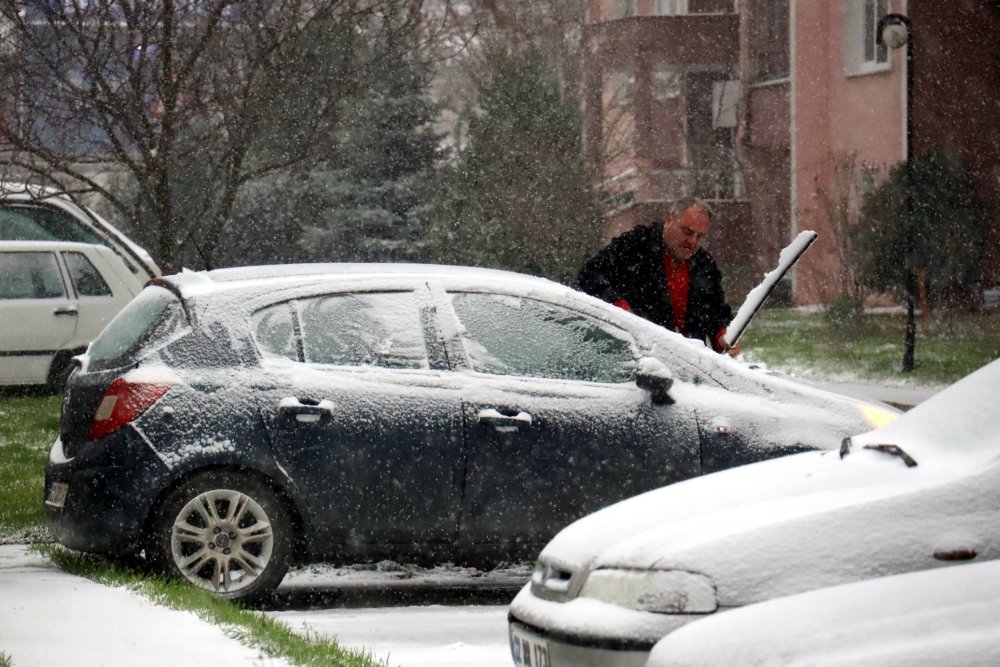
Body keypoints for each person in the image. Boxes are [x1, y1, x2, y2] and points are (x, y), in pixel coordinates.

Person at [577, 196, 739, 356]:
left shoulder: (705, 265)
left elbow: (715, 311)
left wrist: (723, 335)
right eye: (687, 232)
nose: (693, 242)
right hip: (635, 358)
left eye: (700, 236)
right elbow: (590, 275)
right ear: (669, 219)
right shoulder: (635, 246)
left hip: (689, 364)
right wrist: (619, 308)